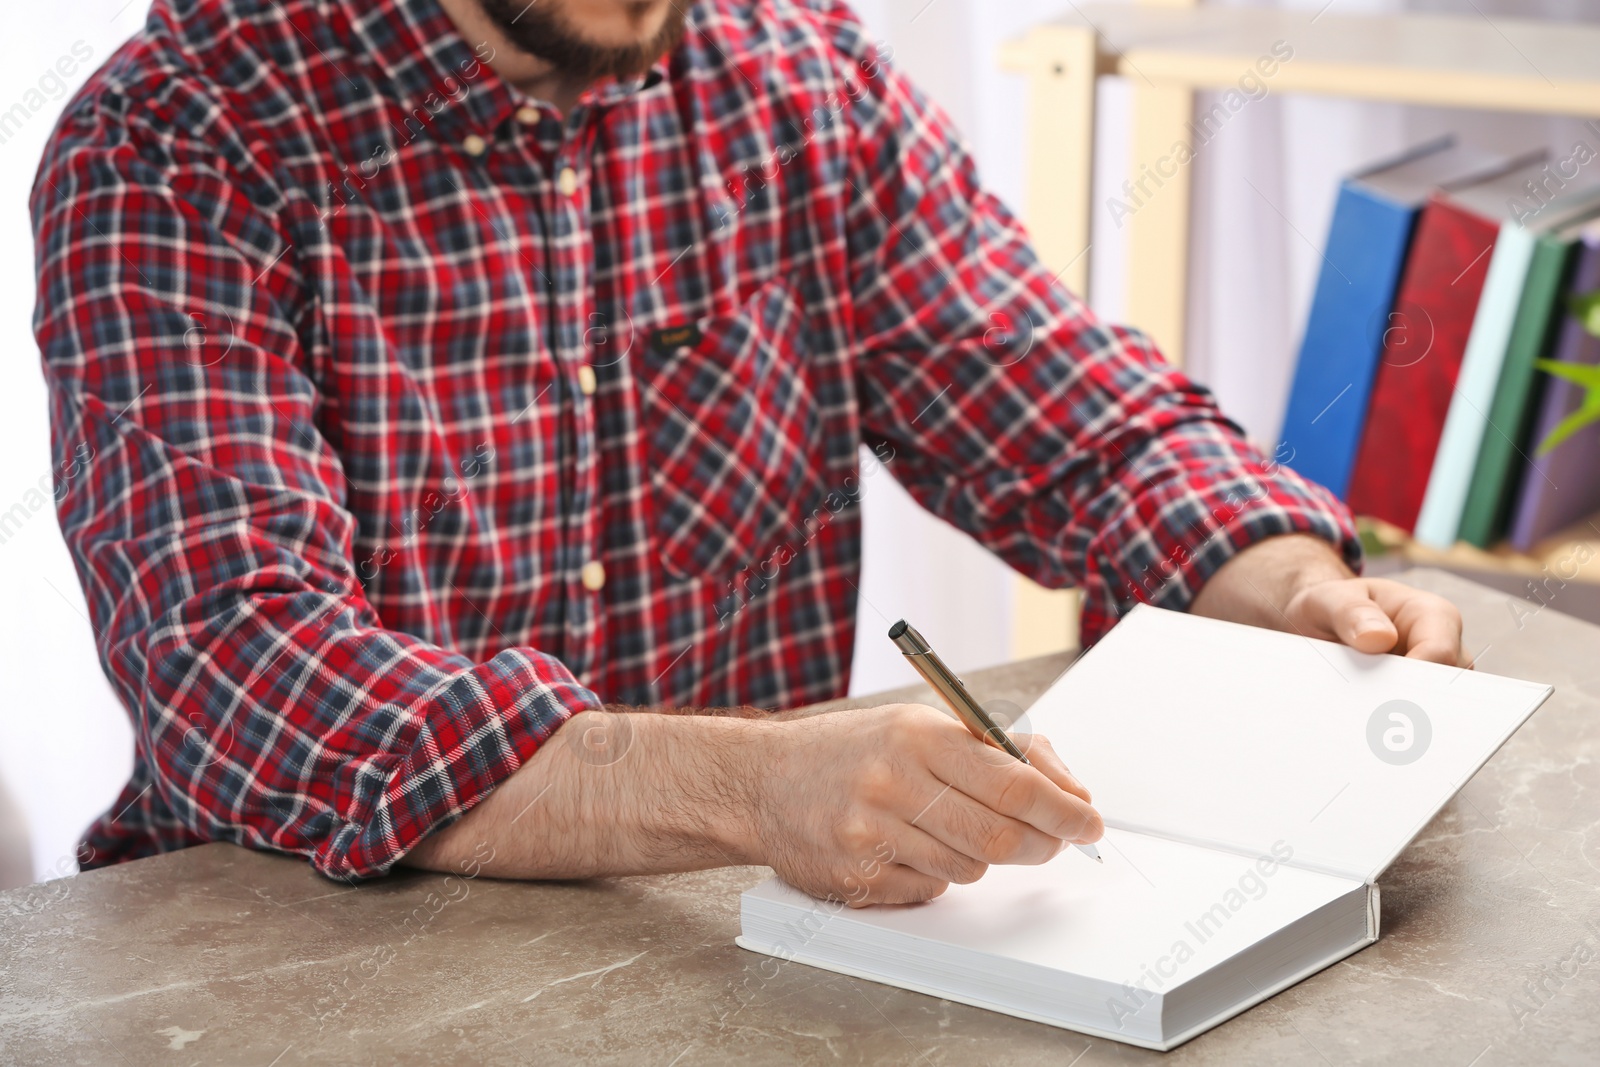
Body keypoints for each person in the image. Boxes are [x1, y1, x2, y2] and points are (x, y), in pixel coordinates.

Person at [32, 0, 1463, 906]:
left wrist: (1284, 581)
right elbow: (236, 672)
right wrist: (750, 790)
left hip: (728, 944)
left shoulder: (801, 79)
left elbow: (1078, 422)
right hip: (279, 952)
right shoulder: (175, 140)